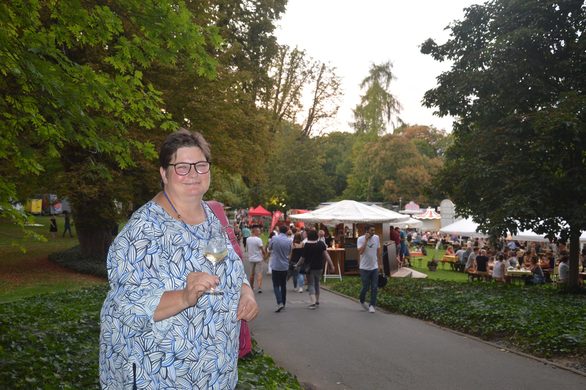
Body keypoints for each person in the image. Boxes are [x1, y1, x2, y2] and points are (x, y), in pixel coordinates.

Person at [99, 129, 258, 389]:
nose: (194, 174)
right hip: (163, 373)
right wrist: (184, 297)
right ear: (164, 173)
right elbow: (127, 304)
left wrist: (246, 292)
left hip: (215, 372)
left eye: (201, 165)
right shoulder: (142, 231)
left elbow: (232, 269)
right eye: (182, 167)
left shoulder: (211, 217)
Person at [296, 229, 334, 309]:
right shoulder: (321, 244)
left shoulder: (306, 245)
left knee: (311, 284)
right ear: (316, 236)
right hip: (319, 267)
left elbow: (302, 258)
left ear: (308, 237)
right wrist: (331, 265)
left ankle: (312, 302)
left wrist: (297, 264)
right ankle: (317, 300)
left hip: (309, 268)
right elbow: (326, 255)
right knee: (317, 283)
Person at [357, 224, 381, 313]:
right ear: (366, 231)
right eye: (372, 230)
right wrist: (366, 241)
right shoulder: (360, 239)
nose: (373, 232)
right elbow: (360, 252)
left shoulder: (377, 238)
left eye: (374, 230)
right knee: (365, 287)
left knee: (374, 287)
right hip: (364, 268)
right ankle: (361, 300)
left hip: (374, 266)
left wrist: (380, 264)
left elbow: (378, 251)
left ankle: (372, 305)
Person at [268, 225, 292, 312]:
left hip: (275, 265)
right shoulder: (289, 241)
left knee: (275, 285)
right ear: (286, 231)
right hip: (284, 266)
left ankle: (279, 302)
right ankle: (284, 303)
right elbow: (290, 252)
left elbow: (269, 248)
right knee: (283, 285)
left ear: (279, 231)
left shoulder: (274, 238)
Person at [246, 227, 266, 293]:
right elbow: (262, 248)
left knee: (252, 274)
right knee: (259, 273)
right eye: (259, 231)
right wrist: (265, 254)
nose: (259, 232)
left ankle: (252, 287)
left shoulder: (248, 239)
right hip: (258, 259)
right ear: (255, 232)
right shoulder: (258, 239)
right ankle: (259, 287)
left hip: (251, 258)